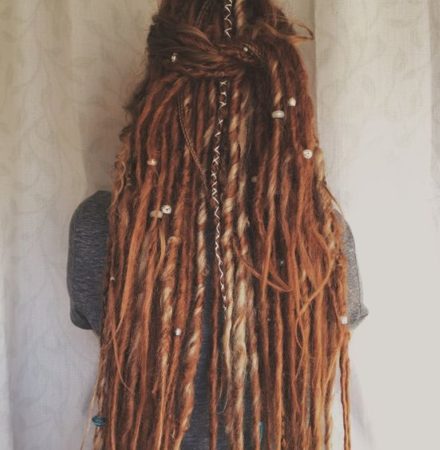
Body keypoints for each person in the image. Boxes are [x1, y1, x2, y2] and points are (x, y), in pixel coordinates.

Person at [67, 1, 369, 449]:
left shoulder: (104, 228)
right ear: (286, 101)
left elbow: (92, 321)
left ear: (155, 99)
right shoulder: (318, 236)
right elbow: (344, 326)